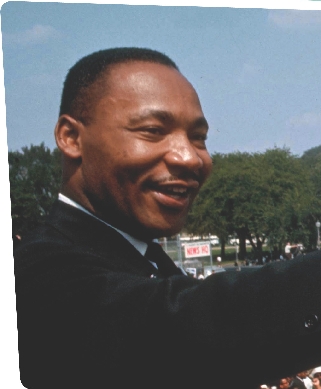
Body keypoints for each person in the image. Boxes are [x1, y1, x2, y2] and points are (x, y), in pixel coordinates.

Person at [14, 47, 321, 389]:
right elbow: (191, 327)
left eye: (198, 138)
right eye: (152, 130)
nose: (190, 157)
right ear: (71, 138)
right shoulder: (36, 276)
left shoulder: (146, 260)